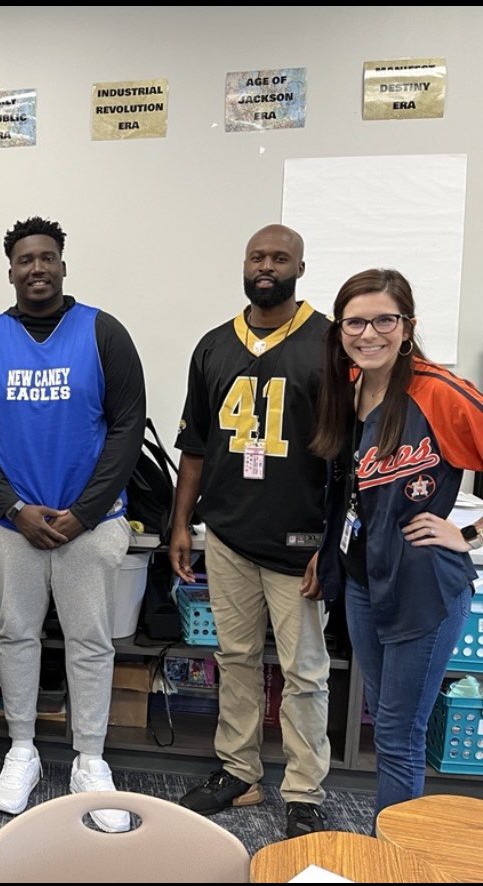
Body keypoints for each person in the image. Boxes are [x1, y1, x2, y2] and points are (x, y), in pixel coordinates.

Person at [0, 216, 146, 826]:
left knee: (90, 641)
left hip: (90, 523)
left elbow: (127, 427)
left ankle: (89, 757)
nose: (36, 268)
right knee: (16, 636)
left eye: (47, 258)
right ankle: (23, 748)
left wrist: (85, 512)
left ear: (63, 264)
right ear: (9, 270)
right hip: (13, 525)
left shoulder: (103, 332)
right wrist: (14, 507)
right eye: (25, 260)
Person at [170, 224, 331, 839]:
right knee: (234, 658)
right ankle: (239, 771)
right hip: (230, 533)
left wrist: (332, 543)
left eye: (280, 258)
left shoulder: (327, 345)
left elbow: (343, 456)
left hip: (301, 543)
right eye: (258, 256)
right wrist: (182, 522)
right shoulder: (213, 346)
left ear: (300, 266)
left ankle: (305, 790)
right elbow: (194, 449)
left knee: (304, 674)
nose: (267, 266)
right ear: (244, 263)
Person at [312, 268, 483, 817]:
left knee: (398, 733)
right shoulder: (351, 386)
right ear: (340, 330)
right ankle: (391, 849)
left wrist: (469, 534)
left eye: (383, 320)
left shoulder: (438, 391)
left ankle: (394, 861)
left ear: (407, 328)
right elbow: (350, 492)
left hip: (423, 586)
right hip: (364, 580)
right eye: (354, 322)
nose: (368, 333)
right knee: (384, 720)